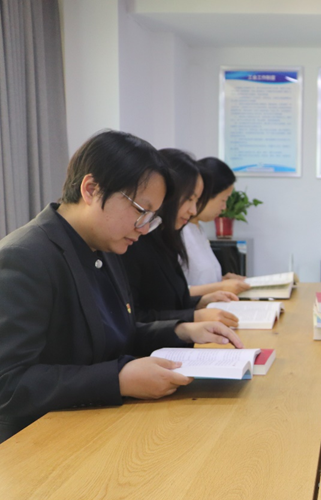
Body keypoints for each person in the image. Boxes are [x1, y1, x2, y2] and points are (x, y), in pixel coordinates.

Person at [0, 130, 244, 443]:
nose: (144, 228)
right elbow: (9, 383)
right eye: (140, 211)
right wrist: (118, 379)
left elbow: (118, 333)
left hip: (101, 425)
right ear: (91, 189)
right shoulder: (26, 256)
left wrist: (182, 330)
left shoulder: (106, 245)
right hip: (42, 443)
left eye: (152, 217)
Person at [122, 149, 239, 327]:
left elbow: (174, 300)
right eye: (190, 199)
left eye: (196, 201)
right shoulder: (134, 241)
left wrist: (200, 302)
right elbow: (135, 318)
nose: (193, 211)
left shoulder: (167, 237)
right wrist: (194, 316)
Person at [180, 157, 250, 296]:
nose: (224, 208)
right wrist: (220, 286)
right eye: (223, 200)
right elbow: (175, 292)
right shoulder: (179, 231)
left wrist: (223, 281)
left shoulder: (198, 230)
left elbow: (200, 280)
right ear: (205, 195)